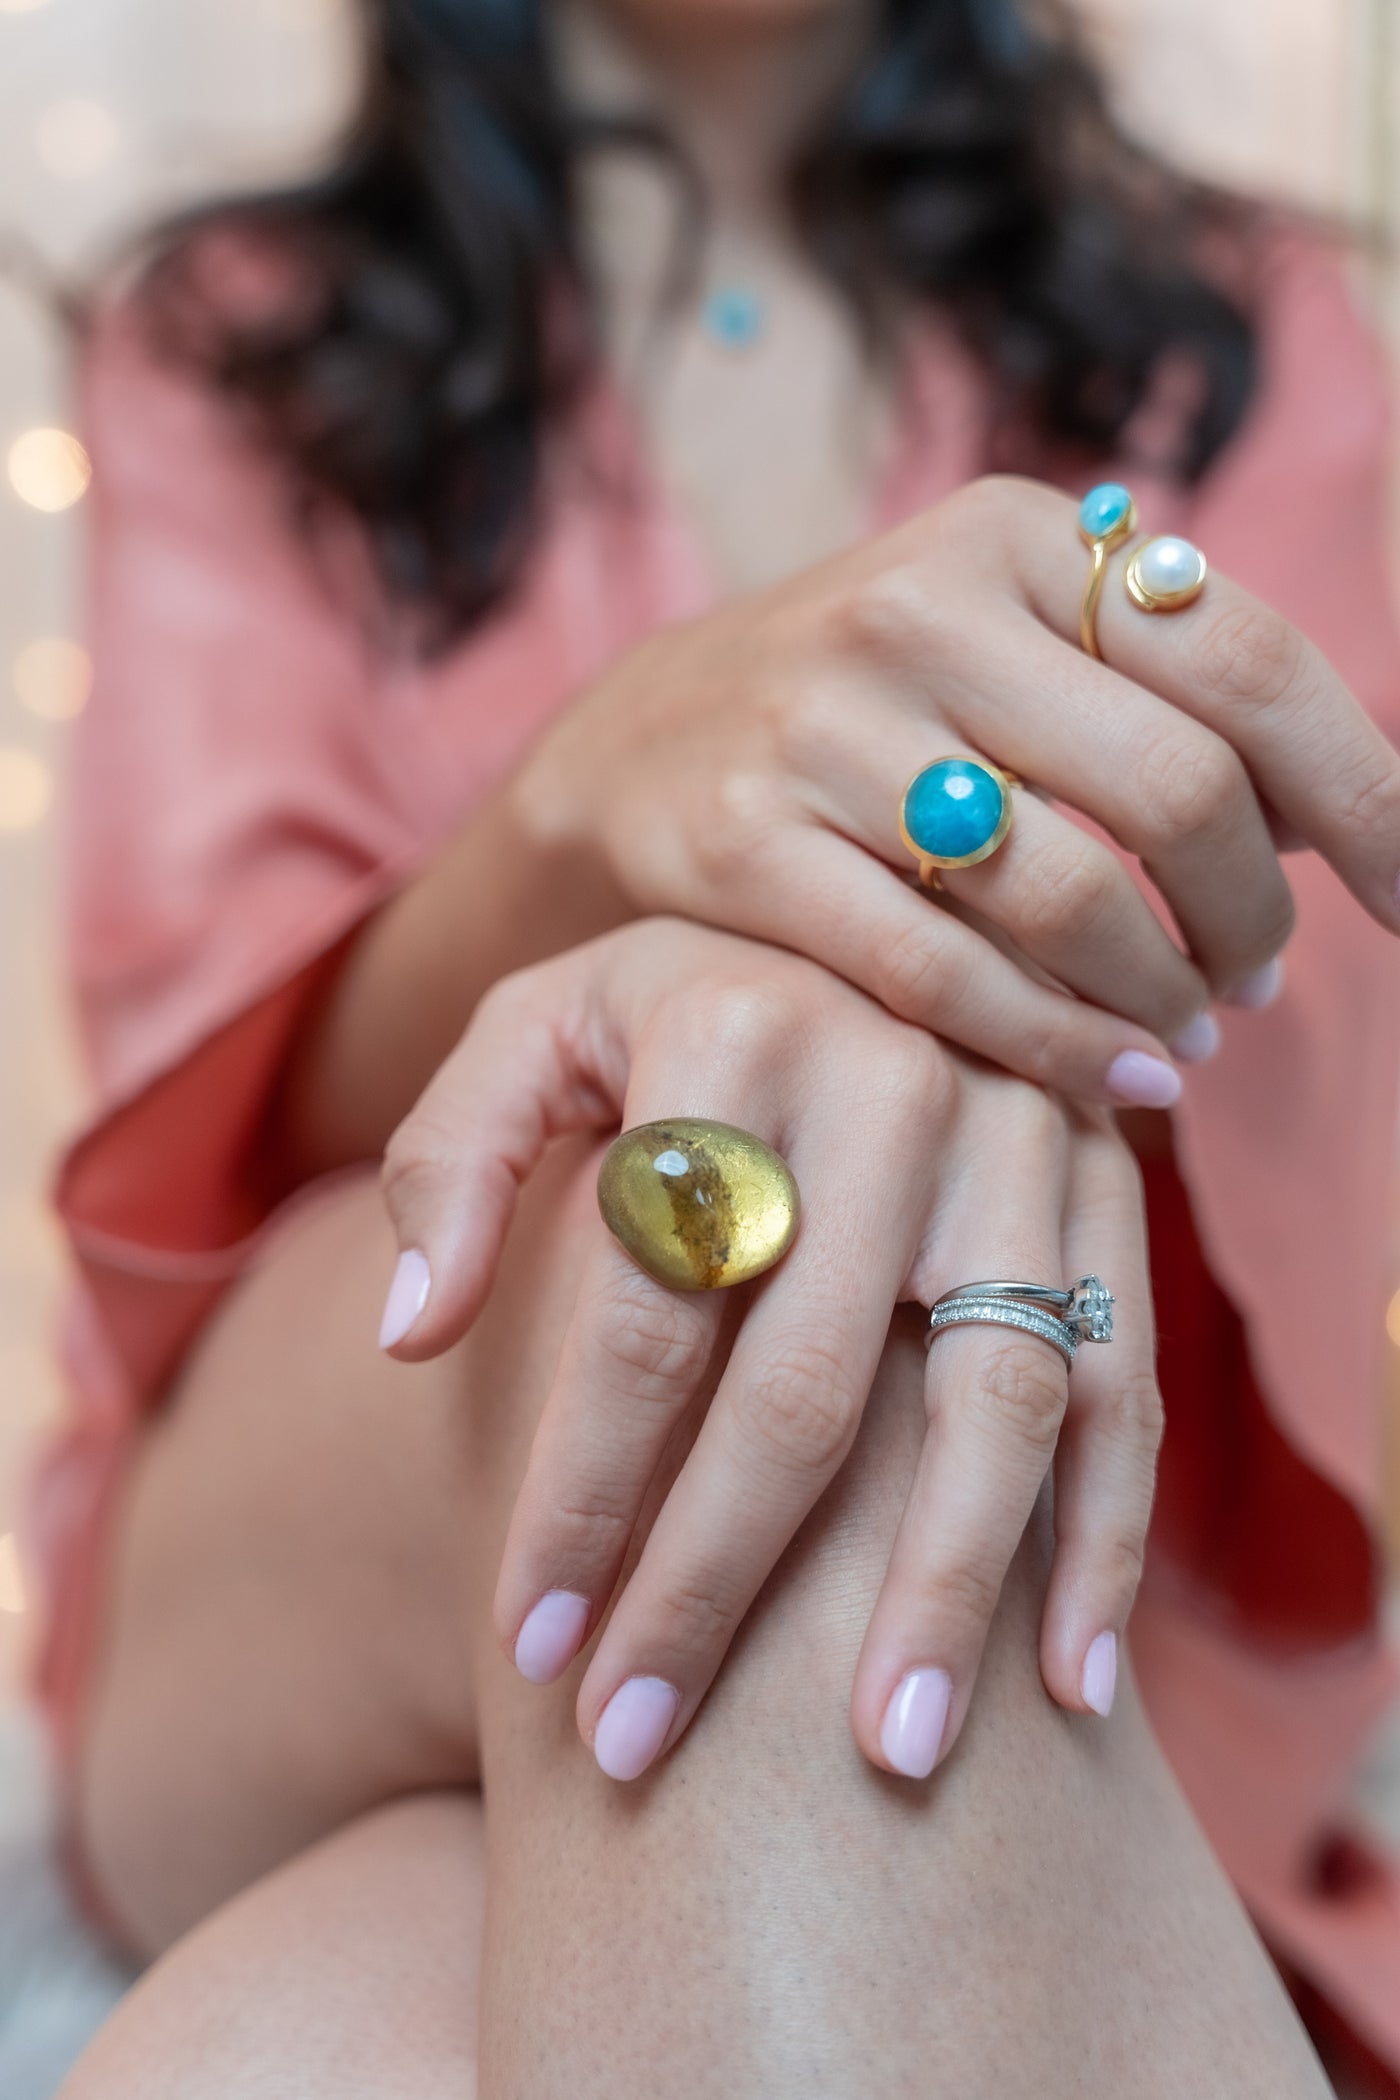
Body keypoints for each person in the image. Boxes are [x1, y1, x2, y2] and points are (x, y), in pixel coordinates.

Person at [31, 0, 1400, 2090]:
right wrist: (562, 842)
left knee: (292, 2046)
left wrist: (767, 1004)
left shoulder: (1245, 331)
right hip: (320, 1512)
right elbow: (225, 1104)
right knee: (734, 1249)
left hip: (1100, 1542)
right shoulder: (241, 329)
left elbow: (1266, 1037)